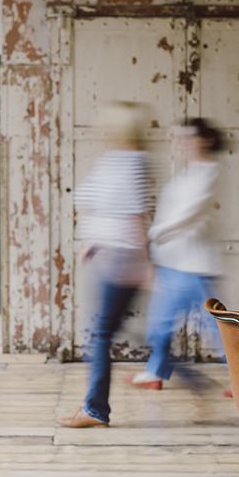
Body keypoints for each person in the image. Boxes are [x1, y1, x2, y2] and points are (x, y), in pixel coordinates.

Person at [58, 101, 154, 428]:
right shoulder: (112, 160)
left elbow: (135, 218)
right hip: (107, 256)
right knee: (105, 332)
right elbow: (106, 208)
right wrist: (94, 242)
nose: (101, 129)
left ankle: (96, 409)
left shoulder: (134, 163)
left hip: (121, 259)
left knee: (100, 335)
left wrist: (145, 266)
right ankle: (96, 407)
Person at [128, 118, 223, 390]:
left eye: (186, 137)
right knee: (160, 324)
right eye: (177, 138)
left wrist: (153, 233)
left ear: (204, 140)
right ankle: (154, 373)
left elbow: (191, 214)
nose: (179, 143)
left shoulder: (209, 171)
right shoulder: (188, 172)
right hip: (173, 263)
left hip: (195, 267)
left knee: (216, 330)